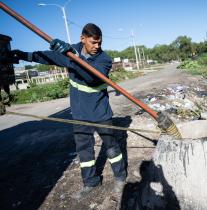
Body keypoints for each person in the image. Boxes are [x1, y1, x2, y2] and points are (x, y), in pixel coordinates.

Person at [9, 23, 127, 199]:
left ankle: (120, 178)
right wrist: (22, 55)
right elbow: (48, 57)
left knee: (110, 147)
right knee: (84, 151)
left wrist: (70, 57)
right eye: (93, 42)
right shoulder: (71, 51)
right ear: (82, 39)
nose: (97, 47)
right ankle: (90, 182)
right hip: (80, 114)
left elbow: (91, 77)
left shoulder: (104, 59)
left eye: (99, 43)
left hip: (100, 112)